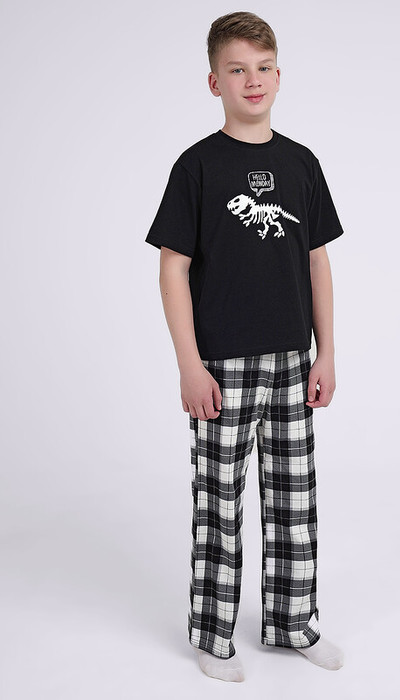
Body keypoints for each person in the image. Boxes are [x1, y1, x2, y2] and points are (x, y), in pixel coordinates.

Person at [145, 11, 345, 683]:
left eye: (262, 68)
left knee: (293, 503)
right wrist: (189, 364)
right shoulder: (197, 166)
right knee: (219, 507)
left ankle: (291, 623)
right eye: (236, 69)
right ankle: (213, 634)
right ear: (214, 82)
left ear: (278, 76)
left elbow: (317, 261)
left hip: (292, 360)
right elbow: (172, 268)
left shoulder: (301, 163)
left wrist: (326, 353)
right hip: (221, 366)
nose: (251, 80)